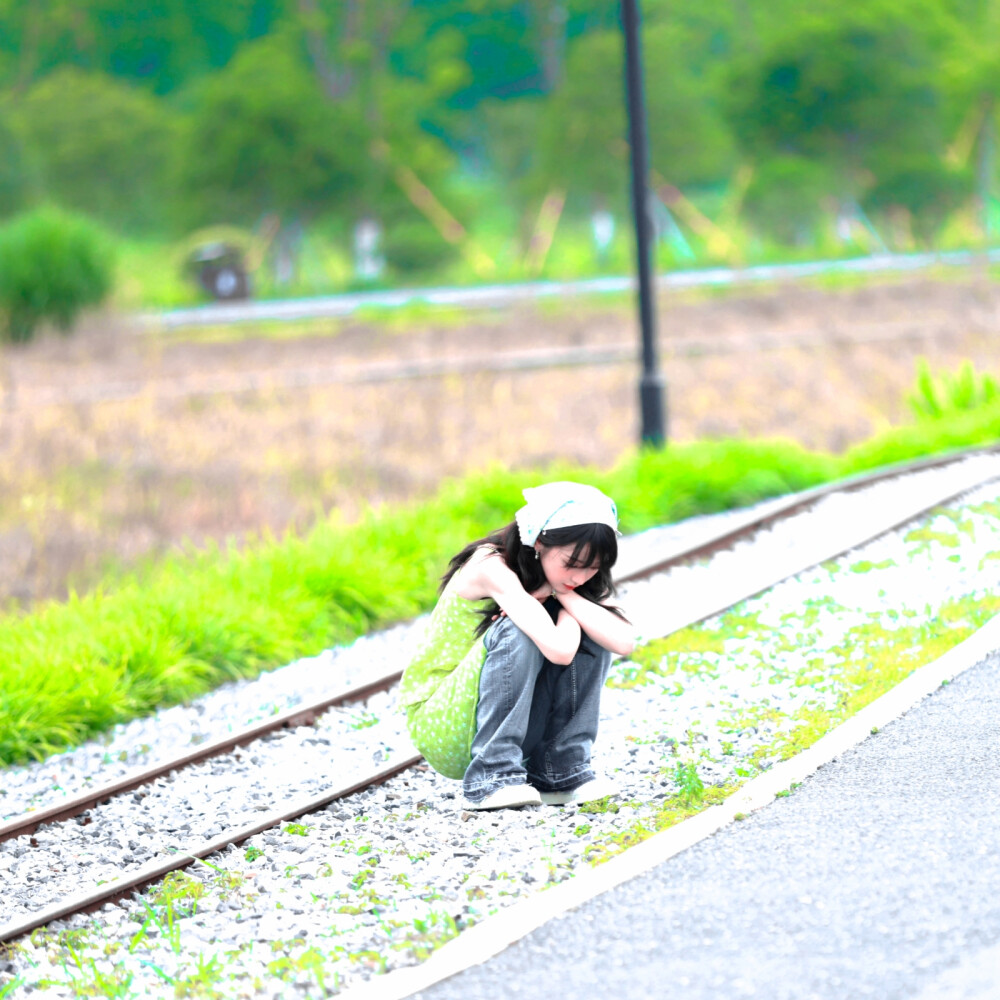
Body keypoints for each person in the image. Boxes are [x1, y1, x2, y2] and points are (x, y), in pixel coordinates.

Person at [400, 482, 635, 810]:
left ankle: (560, 774)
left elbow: (623, 640)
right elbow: (560, 650)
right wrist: (570, 605)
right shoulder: (491, 565)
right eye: (572, 563)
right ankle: (491, 777)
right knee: (519, 630)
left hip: (512, 716)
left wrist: (564, 596)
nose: (581, 577)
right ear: (539, 542)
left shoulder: (568, 581)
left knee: (595, 626)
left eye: (593, 568)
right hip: (443, 720)